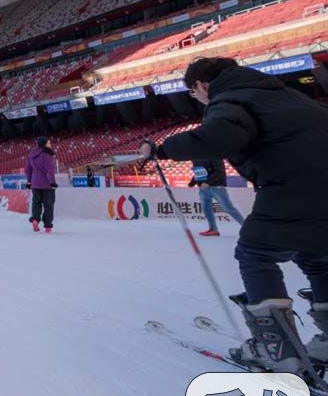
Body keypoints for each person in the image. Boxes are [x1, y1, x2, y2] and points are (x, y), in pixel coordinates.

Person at [140, 57, 328, 374]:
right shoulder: (288, 95)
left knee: (256, 254)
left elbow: (219, 137)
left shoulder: (230, 99)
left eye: (193, 92)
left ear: (201, 85)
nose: (197, 99)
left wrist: (160, 149)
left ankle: (277, 350)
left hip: (295, 185)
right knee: (316, 256)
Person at [187, 158, 246, 236]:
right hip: (203, 188)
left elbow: (219, 172)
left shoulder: (214, 156)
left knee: (228, 208)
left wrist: (208, 182)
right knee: (206, 209)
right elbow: (199, 173)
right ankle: (213, 229)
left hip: (216, 187)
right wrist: (192, 182)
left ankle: (246, 228)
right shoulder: (196, 159)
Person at [25, 136, 57, 233]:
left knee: (36, 203)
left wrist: (29, 182)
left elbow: (28, 169)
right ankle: (47, 226)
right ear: (44, 144)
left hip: (35, 183)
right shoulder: (47, 155)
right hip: (46, 184)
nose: (50, 145)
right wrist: (52, 182)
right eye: (48, 143)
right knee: (48, 205)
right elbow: (49, 170)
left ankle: (35, 219)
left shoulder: (31, 154)